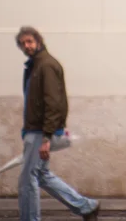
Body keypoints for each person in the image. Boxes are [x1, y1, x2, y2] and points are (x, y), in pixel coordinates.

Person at [15, 26, 100, 221]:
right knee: (42, 175)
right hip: (34, 130)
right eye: (22, 43)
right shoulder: (35, 66)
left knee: (28, 179)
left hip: (40, 132)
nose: (26, 46)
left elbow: (54, 103)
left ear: (38, 41)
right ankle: (86, 207)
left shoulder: (46, 66)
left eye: (29, 41)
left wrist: (46, 137)